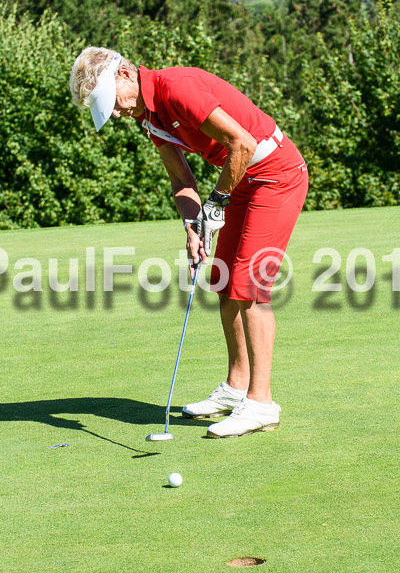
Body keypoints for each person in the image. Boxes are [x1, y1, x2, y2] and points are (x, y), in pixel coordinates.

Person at [70, 47, 308, 439]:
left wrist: (215, 204)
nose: (114, 114)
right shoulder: (149, 118)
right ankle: (236, 388)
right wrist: (192, 225)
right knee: (224, 282)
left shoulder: (176, 88)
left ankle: (261, 403)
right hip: (243, 182)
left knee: (249, 287)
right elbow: (181, 180)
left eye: (112, 102)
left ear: (126, 74)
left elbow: (243, 144)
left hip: (275, 176)